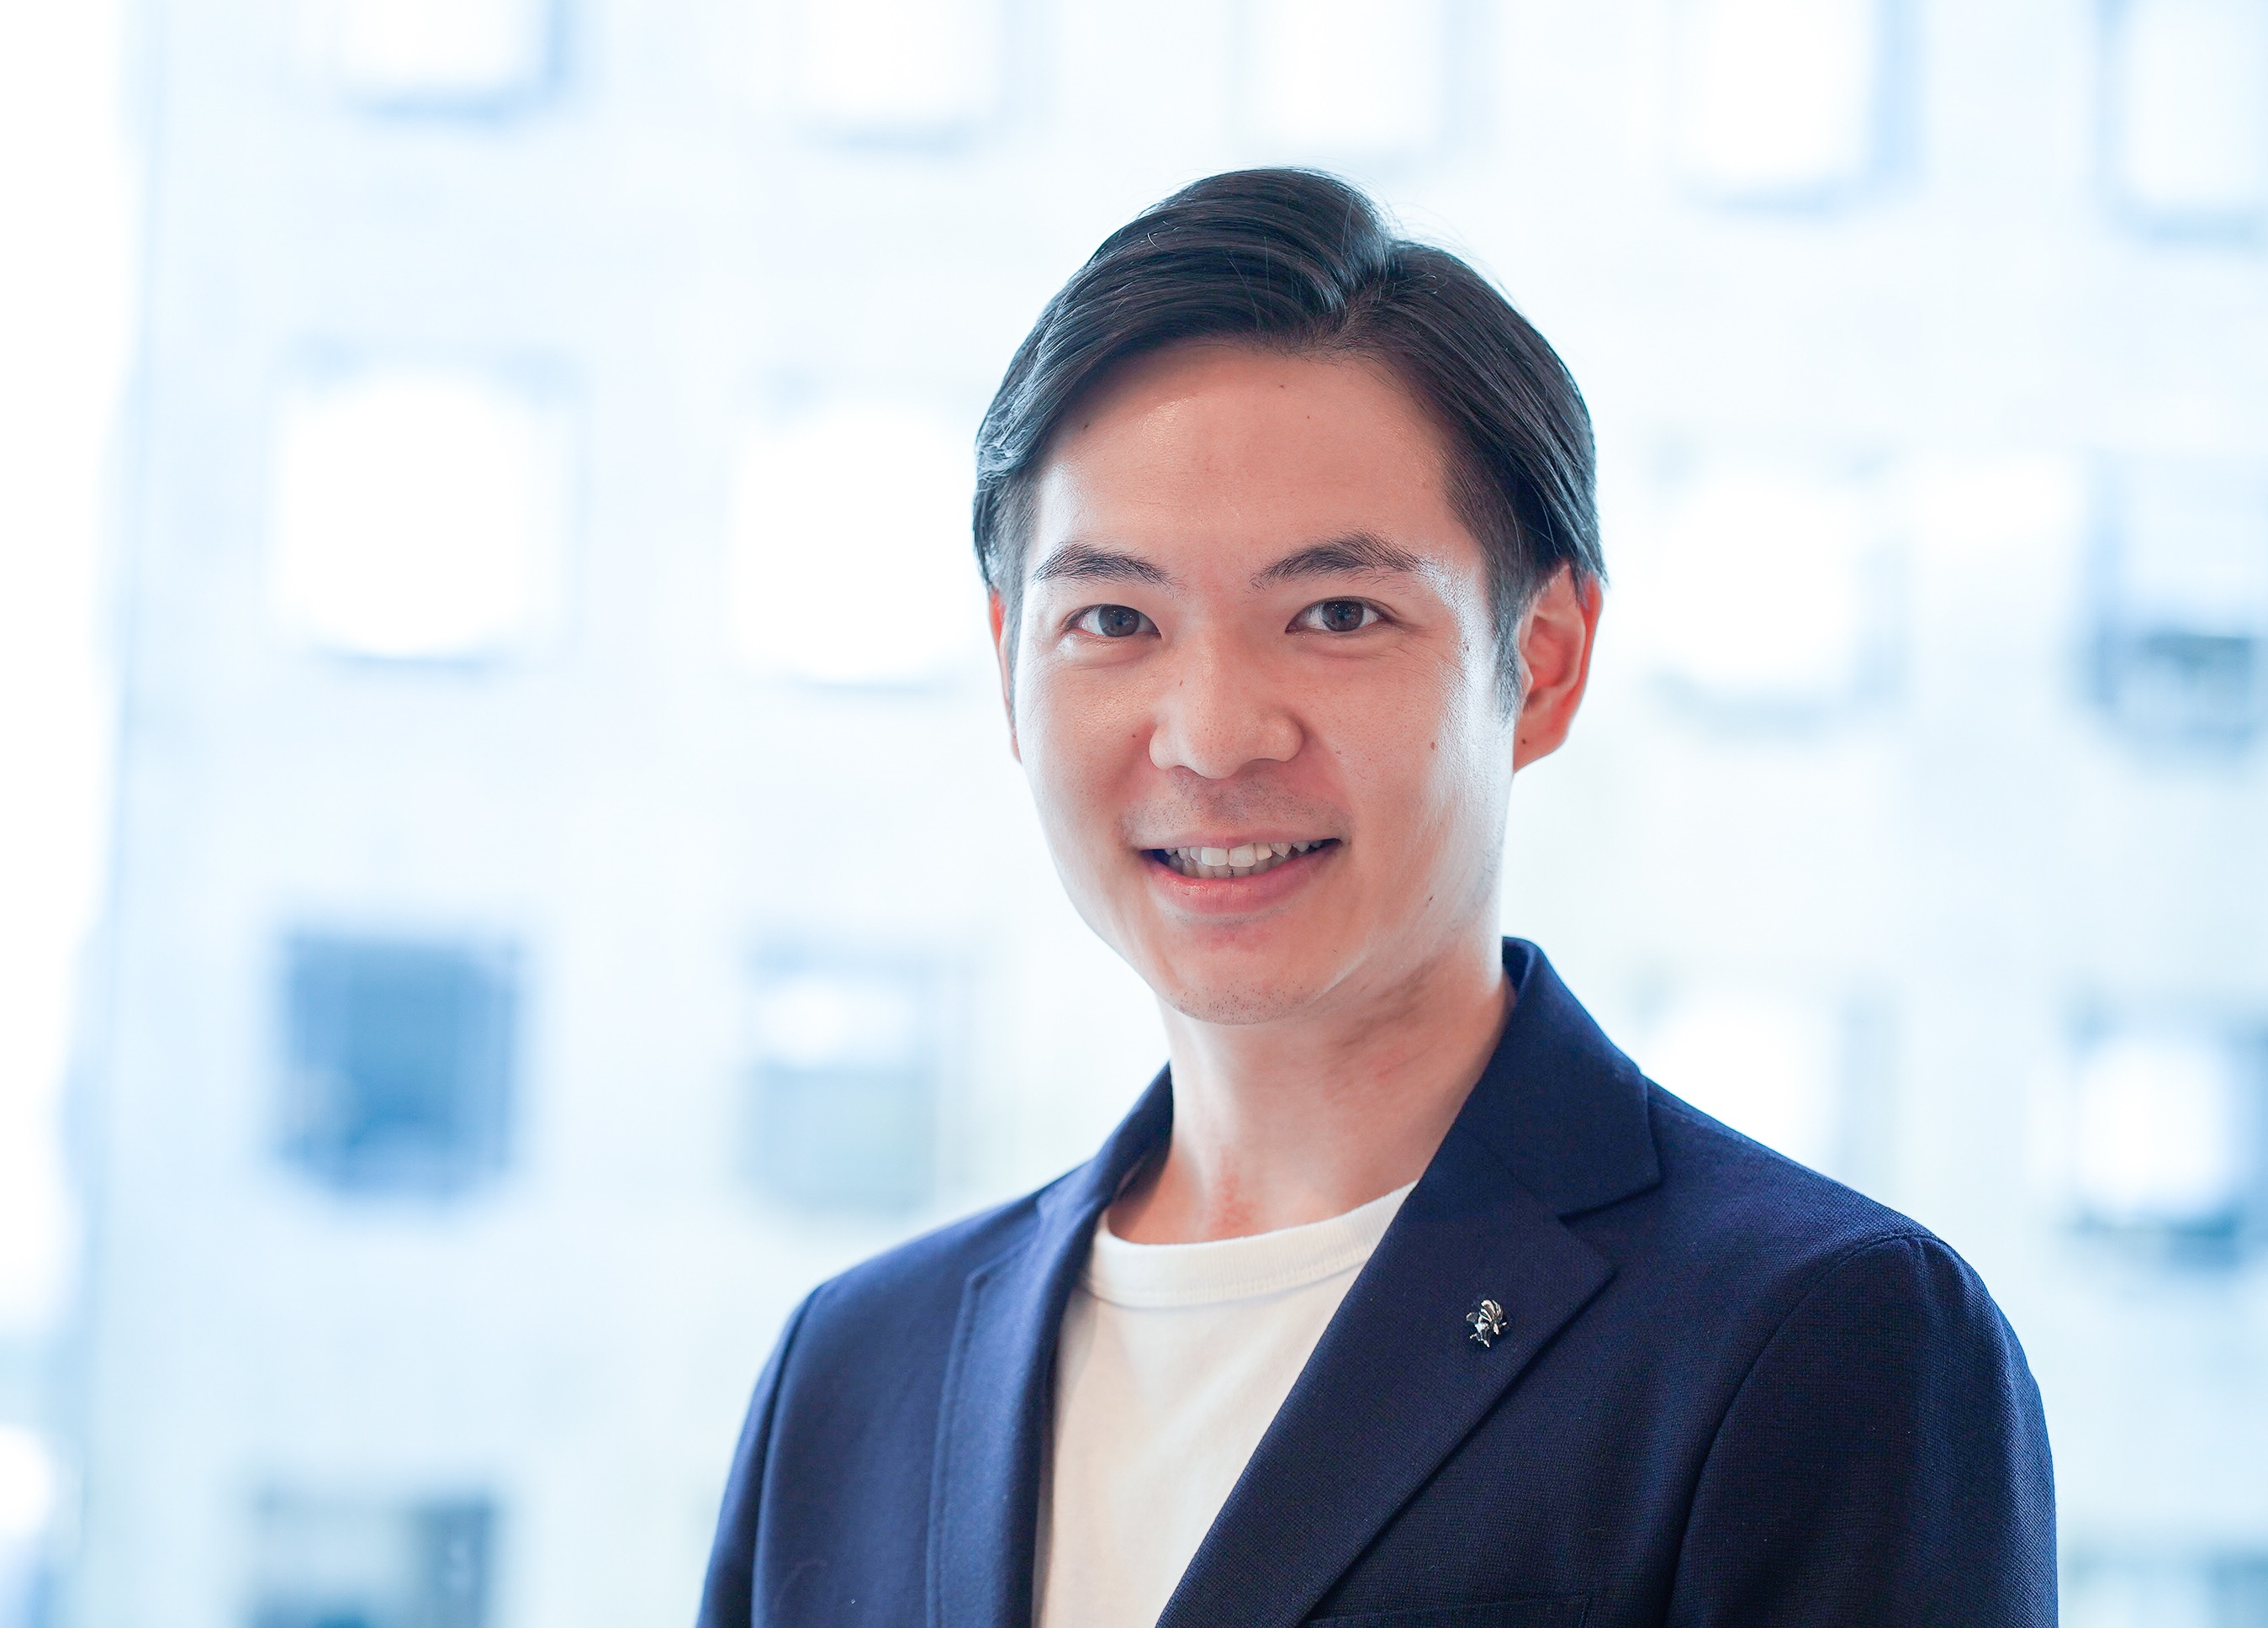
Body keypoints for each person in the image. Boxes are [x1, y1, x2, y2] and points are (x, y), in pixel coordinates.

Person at [698, 168, 2055, 1628]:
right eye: (1114, 618)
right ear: (1007, 666)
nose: (1213, 736)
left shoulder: (1818, 1338)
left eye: (1337, 615)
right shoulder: (854, 1375)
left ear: (1543, 660)